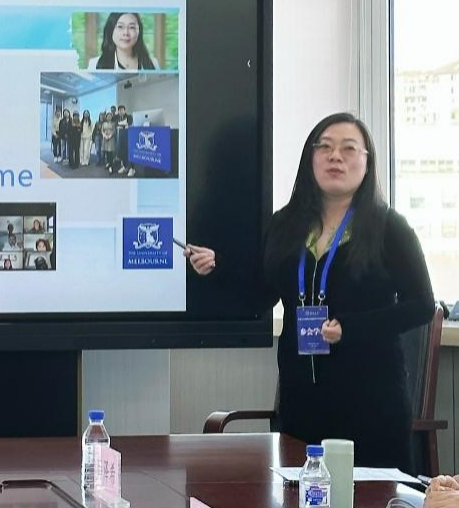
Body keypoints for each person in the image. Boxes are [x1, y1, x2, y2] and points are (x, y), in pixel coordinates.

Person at [184, 113, 434, 472]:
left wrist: (350, 328)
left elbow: (421, 305)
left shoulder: (389, 228)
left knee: (369, 496)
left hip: (371, 400)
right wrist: (218, 266)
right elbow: (262, 294)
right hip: (301, 397)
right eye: (325, 147)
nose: (336, 157)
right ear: (310, 158)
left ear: (367, 162)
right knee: (300, 494)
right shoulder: (285, 225)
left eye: (349, 149)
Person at [87, 12, 157, 70]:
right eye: (120, 27)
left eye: (132, 27)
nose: (126, 33)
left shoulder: (153, 64)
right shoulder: (95, 64)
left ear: (139, 32)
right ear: (110, 30)